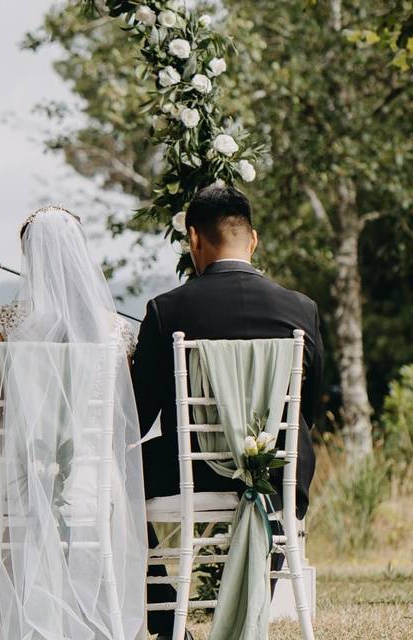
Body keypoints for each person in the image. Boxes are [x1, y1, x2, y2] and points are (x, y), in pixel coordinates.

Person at [0, 205, 146, 640]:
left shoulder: (4, 325)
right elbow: (121, 423)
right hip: (92, 481)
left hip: (19, 480)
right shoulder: (117, 332)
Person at [131, 185, 324, 640]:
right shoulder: (302, 310)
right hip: (278, 473)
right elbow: (308, 409)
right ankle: (249, 608)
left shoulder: (166, 310)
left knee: (119, 477)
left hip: (191, 471)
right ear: (252, 239)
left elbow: (137, 418)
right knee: (296, 453)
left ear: (194, 239)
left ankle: (165, 620)